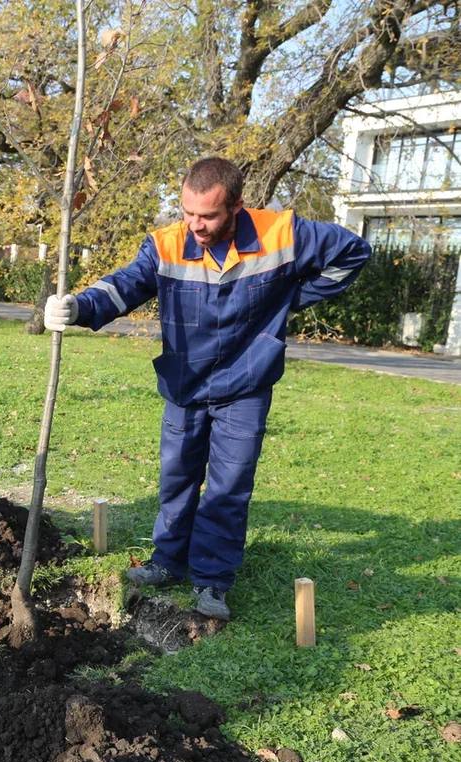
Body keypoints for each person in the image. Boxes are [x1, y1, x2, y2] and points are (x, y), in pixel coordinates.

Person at [44, 157, 371, 621]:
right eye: (188, 213)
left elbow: (353, 252)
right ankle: (167, 561)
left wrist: (291, 300)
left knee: (228, 486)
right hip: (185, 382)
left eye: (209, 216)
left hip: (246, 384)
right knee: (177, 477)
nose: (196, 225)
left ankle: (213, 581)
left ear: (237, 206)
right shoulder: (166, 245)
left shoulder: (283, 233)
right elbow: (125, 286)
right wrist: (79, 307)